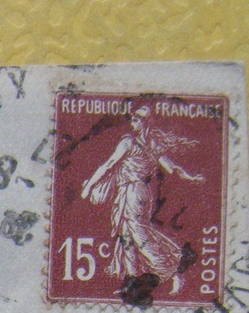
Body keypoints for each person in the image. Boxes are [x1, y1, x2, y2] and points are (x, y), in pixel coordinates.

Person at [80, 104, 205, 297]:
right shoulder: (153, 145)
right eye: (133, 119)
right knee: (126, 234)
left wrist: (89, 186)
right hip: (139, 192)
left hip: (132, 191)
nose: (133, 122)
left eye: (136, 120)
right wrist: (190, 177)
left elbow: (110, 164)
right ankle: (131, 279)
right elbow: (172, 168)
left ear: (144, 122)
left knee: (137, 232)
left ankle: (170, 266)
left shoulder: (129, 143)